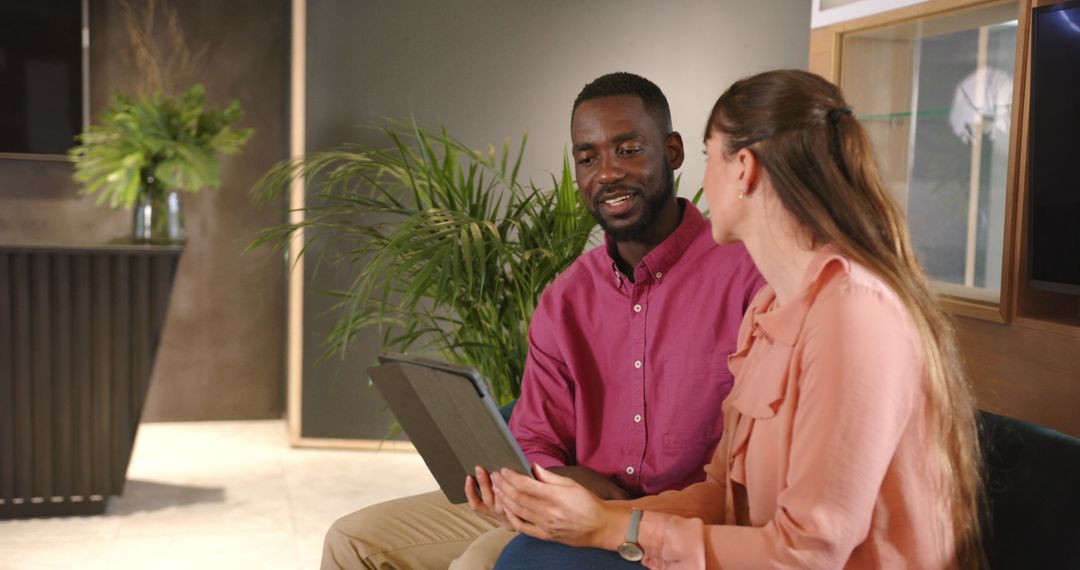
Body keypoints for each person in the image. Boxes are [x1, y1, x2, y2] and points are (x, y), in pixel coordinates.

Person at [490, 69, 986, 569]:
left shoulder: (855, 312)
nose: (704, 181)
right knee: (526, 557)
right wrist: (593, 518)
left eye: (710, 157)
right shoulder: (769, 311)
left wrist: (610, 527)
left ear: (743, 169)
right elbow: (722, 494)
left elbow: (806, 553)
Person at [320, 72, 765, 570]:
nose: (607, 173)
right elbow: (535, 437)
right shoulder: (565, 298)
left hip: (674, 521)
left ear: (673, 151)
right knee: (351, 541)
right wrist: (551, 484)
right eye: (588, 158)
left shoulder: (748, 275)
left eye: (628, 150)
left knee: (478, 563)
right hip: (560, 502)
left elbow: (751, 472)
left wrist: (602, 509)